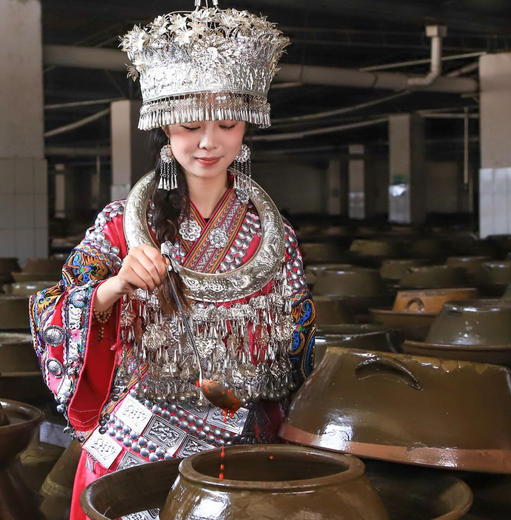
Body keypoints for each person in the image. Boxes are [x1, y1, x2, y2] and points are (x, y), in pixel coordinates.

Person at [30, 2, 315, 519]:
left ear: (246, 129)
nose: (209, 142)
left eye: (227, 124)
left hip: (240, 427)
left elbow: (297, 344)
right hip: (138, 431)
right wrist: (115, 286)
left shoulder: (278, 235)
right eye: (189, 126)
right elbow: (55, 309)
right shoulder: (120, 221)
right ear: (164, 129)